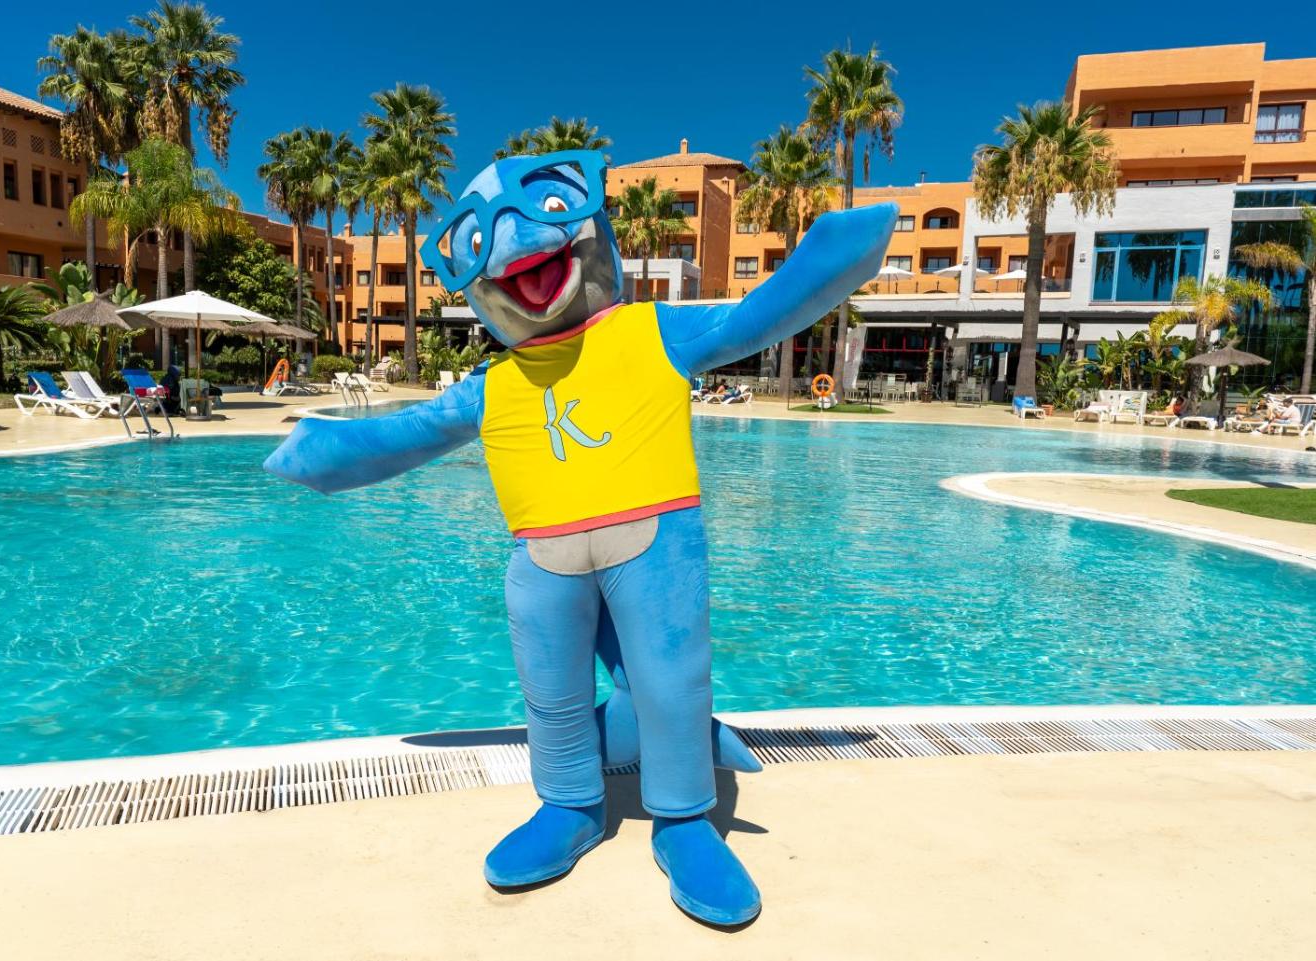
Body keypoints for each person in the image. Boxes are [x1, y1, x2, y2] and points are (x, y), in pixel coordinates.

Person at [264, 150, 896, 927]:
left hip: (654, 545)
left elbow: (751, 316)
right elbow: (403, 435)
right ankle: (569, 803)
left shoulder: (652, 331)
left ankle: (684, 817)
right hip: (543, 561)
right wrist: (324, 451)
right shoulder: (492, 385)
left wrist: (835, 257)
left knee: (669, 681)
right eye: (478, 244)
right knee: (553, 694)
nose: (519, 259)